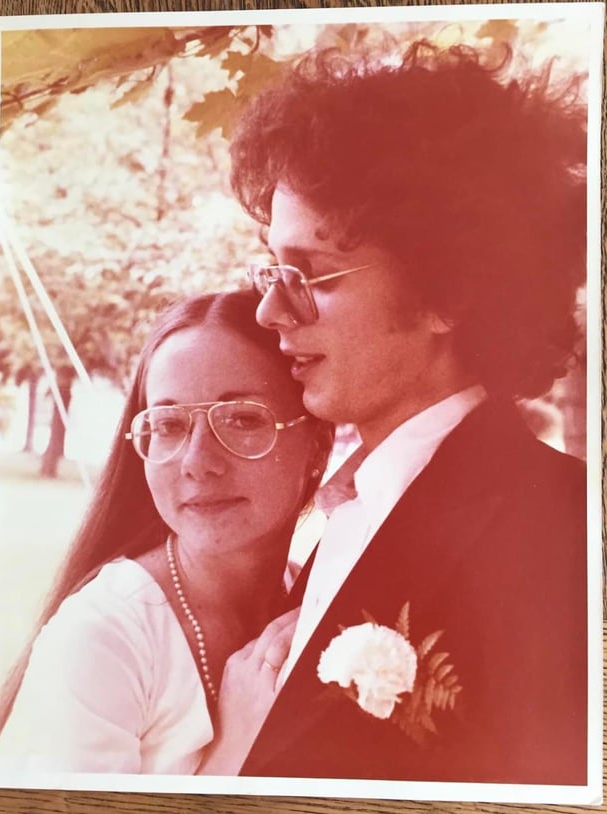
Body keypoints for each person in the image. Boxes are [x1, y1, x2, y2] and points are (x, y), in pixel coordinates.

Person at [224, 39, 588, 783]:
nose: (268, 310)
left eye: (312, 275)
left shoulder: (566, 534)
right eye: (271, 268)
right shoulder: (342, 507)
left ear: (447, 290)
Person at [0, 289, 332, 774]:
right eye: (168, 425)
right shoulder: (104, 636)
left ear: (318, 447)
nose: (196, 463)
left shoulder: (318, 600)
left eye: (242, 419)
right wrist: (236, 744)